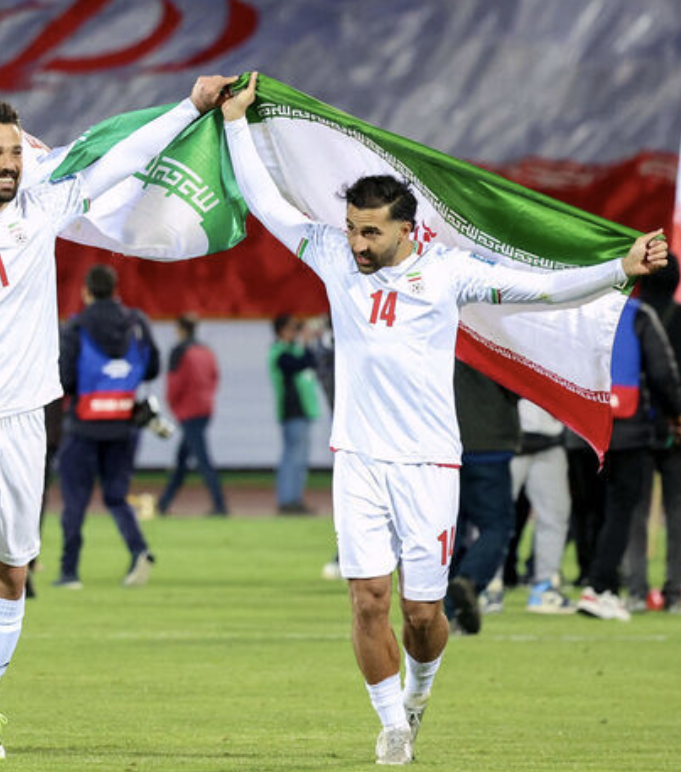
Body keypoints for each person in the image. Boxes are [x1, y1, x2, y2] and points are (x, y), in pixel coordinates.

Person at [221, 71, 671, 765]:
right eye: (352, 228)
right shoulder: (332, 255)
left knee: (422, 615)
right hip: (359, 458)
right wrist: (233, 122)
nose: (357, 242)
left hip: (430, 464)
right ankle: (390, 726)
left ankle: (419, 691)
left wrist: (619, 268)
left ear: (407, 231)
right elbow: (264, 200)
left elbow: (543, 289)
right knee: (369, 600)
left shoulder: (449, 273)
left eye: (371, 232)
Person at [0, 76, 233, 762]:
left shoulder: (43, 209)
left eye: (14, 151)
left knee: (12, 576)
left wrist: (191, 106)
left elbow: (123, 158)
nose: (9, 164)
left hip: (24, 421)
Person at [54, 264, 160, 588]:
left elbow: (64, 379)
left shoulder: (75, 327)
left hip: (83, 427)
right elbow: (152, 367)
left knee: (75, 502)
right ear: (115, 290)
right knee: (116, 497)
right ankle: (139, 550)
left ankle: (70, 572)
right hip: (125, 424)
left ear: (86, 291)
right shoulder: (135, 322)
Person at [576, 296, 681, 620]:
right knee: (625, 508)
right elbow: (662, 373)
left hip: (583, 426)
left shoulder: (581, 311)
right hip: (629, 429)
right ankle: (602, 587)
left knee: (597, 510)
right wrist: (675, 413)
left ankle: (614, 586)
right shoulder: (639, 315)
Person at [622, 256, 681, 613]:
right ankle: (676, 592)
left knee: (635, 510)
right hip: (674, 426)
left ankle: (635, 589)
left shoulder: (629, 316)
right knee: (677, 510)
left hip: (635, 425)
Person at [446, 362, 520, 634]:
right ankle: (470, 579)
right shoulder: (497, 336)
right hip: (490, 441)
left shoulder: (436, 336)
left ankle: (444, 614)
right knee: (497, 525)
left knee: (449, 532)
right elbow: (517, 380)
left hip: (445, 442)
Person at [157, 313, 228, 517]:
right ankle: (163, 504)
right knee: (182, 460)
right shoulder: (206, 351)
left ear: (180, 329)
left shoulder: (179, 352)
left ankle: (220, 504)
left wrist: (174, 406)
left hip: (188, 410)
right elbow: (214, 378)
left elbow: (174, 384)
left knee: (202, 459)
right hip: (204, 407)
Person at [511, 400, 575, 613]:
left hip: (550, 442)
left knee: (555, 516)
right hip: (507, 439)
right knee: (491, 518)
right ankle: (484, 585)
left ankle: (544, 587)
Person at [269, 314, 321, 513]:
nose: (296, 333)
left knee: (299, 459)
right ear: (281, 331)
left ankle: (294, 499)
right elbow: (300, 363)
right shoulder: (279, 352)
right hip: (292, 412)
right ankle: (287, 500)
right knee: (292, 458)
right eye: (293, 329)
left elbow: (312, 362)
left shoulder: (291, 350)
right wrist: (306, 342)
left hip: (302, 411)